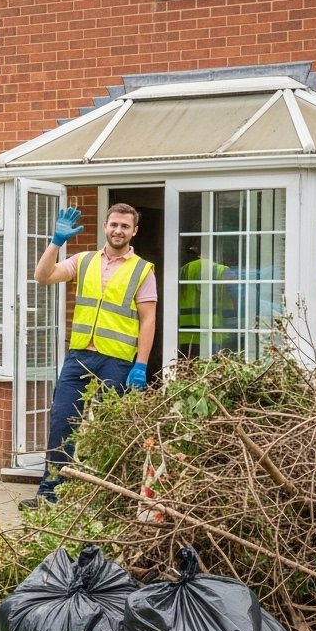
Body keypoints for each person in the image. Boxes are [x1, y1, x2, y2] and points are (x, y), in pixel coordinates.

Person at [23, 203, 157, 509]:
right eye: (114, 224)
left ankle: (106, 497)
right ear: (105, 226)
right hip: (80, 355)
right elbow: (42, 276)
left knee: (110, 428)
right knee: (61, 423)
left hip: (118, 360)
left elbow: (148, 319)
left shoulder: (142, 270)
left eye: (125, 226)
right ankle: (51, 495)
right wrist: (56, 241)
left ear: (134, 231)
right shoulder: (83, 261)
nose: (118, 230)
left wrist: (141, 364)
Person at [177, 242, 237, 358]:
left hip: (184, 333)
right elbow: (236, 295)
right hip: (213, 331)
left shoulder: (183, 270)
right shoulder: (222, 270)